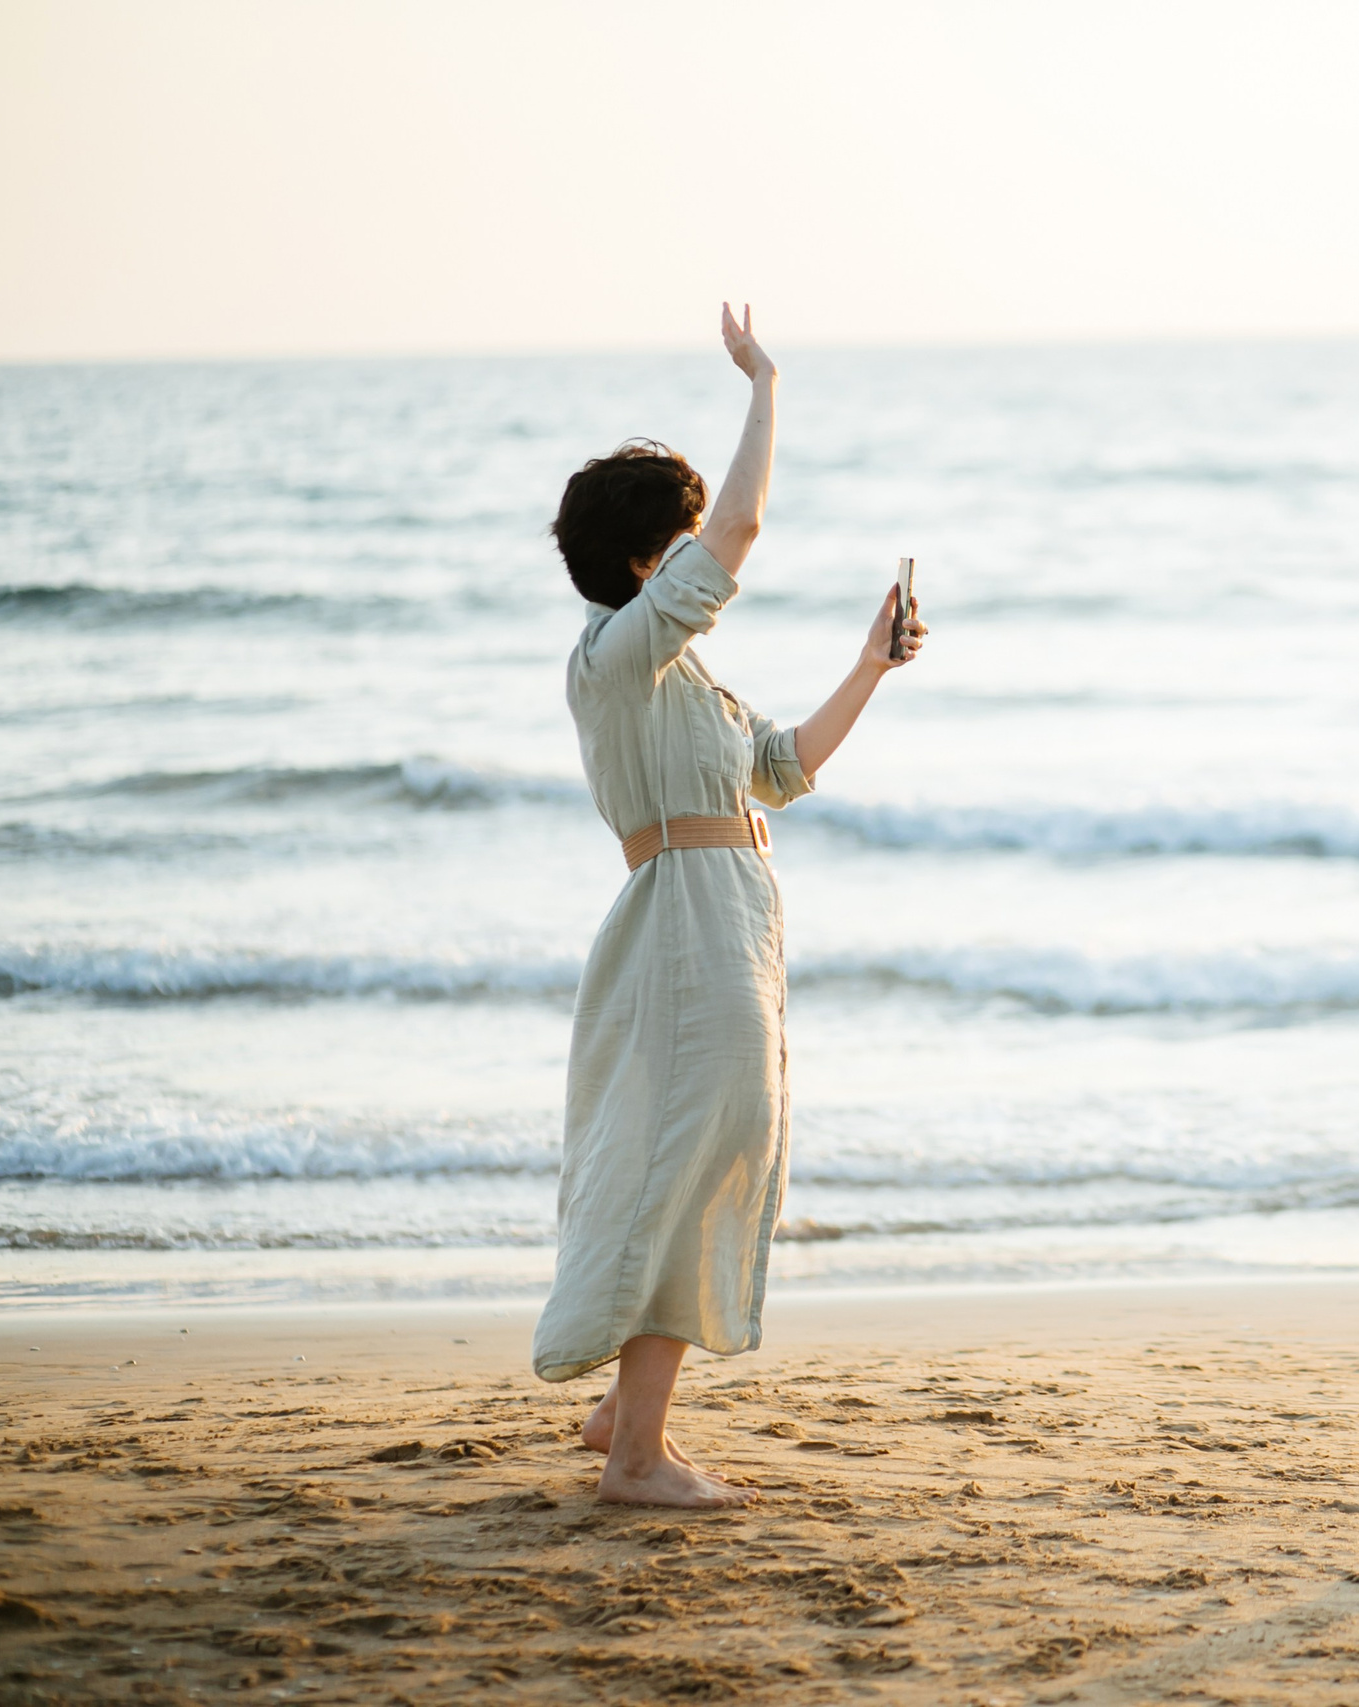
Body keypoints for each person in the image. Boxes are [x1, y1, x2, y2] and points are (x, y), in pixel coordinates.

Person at [529, 306, 928, 1508]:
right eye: (687, 540)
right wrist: (765, 382)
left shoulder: (682, 673)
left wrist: (871, 662)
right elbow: (746, 524)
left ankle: (622, 1416)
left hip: (728, 926)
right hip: (683, 933)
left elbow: (787, 769)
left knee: (700, 1156)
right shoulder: (615, 658)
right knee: (689, 1163)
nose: (711, 550)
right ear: (653, 560)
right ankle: (641, 1458)